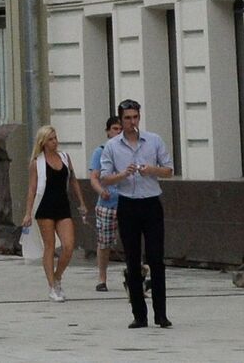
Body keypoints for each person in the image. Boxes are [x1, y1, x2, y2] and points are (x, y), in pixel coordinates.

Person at [101, 99, 175, 330]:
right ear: (120, 120)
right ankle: (139, 314)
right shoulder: (113, 146)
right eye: (127, 118)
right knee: (133, 260)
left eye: (135, 117)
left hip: (151, 203)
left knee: (156, 258)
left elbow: (169, 170)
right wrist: (123, 174)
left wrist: (152, 170)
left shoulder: (153, 141)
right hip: (128, 205)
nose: (132, 122)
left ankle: (161, 314)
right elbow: (105, 177)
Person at [20, 125, 87, 301]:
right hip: (45, 206)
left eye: (55, 138)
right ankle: (52, 286)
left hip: (63, 205)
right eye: (50, 139)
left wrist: (81, 202)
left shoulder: (64, 157)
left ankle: (57, 276)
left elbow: (73, 180)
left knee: (68, 245)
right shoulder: (37, 162)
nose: (55, 142)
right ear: (43, 142)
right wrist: (28, 213)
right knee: (49, 246)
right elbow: (32, 189)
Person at [89, 115, 123, 291]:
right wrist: (101, 190)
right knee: (104, 242)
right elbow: (94, 177)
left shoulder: (129, 150)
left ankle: (134, 274)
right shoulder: (100, 151)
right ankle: (102, 277)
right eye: (115, 129)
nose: (118, 132)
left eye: (120, 129)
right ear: (108, 132)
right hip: (107, 204)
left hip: (127, 202)